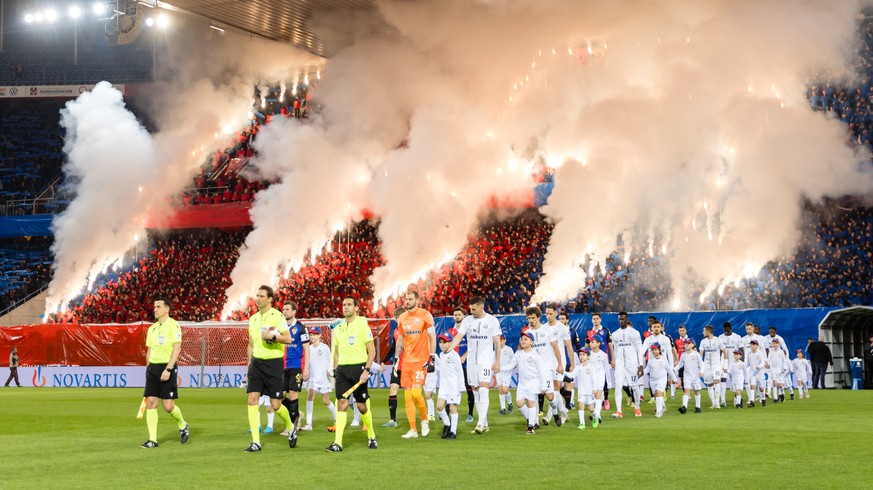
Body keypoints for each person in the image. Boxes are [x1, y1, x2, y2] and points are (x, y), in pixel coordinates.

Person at [244, 285, 295, 452]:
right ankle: (256, 442)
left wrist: (272, 336)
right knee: (252, 399)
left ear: (270, 299)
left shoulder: (277, 316)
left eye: (261, 296)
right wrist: (249, 364)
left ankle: (290, 426)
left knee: (275, 405)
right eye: (257, 296)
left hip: (274, 364)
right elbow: (251, 343)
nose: (258, 298)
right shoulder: (253, 319)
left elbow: (288, 339)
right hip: (257, 364)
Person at [326, 297, 377, 452]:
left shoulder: (362, 324)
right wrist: (335, 371)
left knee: (361, 406)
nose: (345, 307)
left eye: (349, 305)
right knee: (341, 403)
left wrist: (366, 370)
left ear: (356, 308)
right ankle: (338, 443)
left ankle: (371, 435)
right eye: (344, 304)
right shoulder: (338, 328)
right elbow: (336, 352)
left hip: (358, 369)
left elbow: (372, 351)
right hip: (342, 370)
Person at [446, 296, 502, 434]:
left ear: (481, 307)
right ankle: (485, 424)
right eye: (470, 309)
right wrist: (449, 350)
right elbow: (458, 337)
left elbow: (497, 343)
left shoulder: (492, 321)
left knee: (483, 390)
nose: (471, 311)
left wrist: (497, 361)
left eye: (474, 309)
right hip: (472, 362)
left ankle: (479, 423)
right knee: (476, 392)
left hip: (486, 360)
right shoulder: (467, 321)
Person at [141, 297, 189, 448]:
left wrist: (168, 369)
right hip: (153, 369)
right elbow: (149, 351)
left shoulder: (173, 326)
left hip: (167, 366)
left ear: (167, 309)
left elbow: (177, 349)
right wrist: (148, 368)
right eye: (154, 307)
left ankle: (183, 425)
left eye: (158, 307)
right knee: (151, 403)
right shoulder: (152, 329)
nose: (155, 309)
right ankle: (152, 440)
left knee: (168, 406)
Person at [396, 291, 436, 439]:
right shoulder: (402, 318)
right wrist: (395, 359)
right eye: (406, 299)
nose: (407, 301)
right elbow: (400, 340)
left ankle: (424, 419)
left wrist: (431, 357)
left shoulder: (425, 315)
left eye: (410, 299)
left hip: (421, 360)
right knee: (407, 397)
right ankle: (413, 429)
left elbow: (432, 336)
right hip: (406, 361)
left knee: (416, 393)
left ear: (417, 301)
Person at [500, 330, 557, 434]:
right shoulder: (518, 354)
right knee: (519, 404)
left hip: (533, 382)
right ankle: (533, 420)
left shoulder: (535, 356)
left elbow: (541, 372)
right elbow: (511, 365)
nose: (523, 341)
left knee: (531, 403)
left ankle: (530, 427)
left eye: (526, 339)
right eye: (522, 339)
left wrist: (544, 385)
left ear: (532, 342)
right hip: (522, 384)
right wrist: (500, 368)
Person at [519, 305, 563, 426]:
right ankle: (534, 421)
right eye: (528, 318)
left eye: (533, 318)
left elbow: (555, 348)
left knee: (549, 396)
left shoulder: (547, 330)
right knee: (531, 396)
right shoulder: (526, 333)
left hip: (546, 369)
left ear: (539, 317)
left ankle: (554, 412)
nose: (530, 320)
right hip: (532, 370)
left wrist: (559, 364)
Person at [281, 301, 309, 436]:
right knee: (279, 397)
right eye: (283, 309)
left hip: (296, 366)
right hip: (282, 366)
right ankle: (297, 413)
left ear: (293, 312)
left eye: (287, 309)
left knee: (293, 395)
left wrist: (306, 368)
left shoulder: (300, 328)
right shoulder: (280, 327)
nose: (284, 311)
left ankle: (290, 427)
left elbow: (307, 349)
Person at [302, 327, 336, 431]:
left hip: (324, 378)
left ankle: (337, 419)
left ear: (320, 335)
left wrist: (330, 370)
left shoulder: (325, 347)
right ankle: (309, 424)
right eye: (311, 335)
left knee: (326, 401)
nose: (312, 337)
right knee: (309, 397)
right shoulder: (309, 349)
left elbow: (330, 360)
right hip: (313, 378)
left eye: (315, 334)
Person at [446, 307, 476, 423]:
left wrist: (464, 356)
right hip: (453, 366)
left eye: (459, 314)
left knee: (469, 388)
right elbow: (447, 348)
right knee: (450, 388)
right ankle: (448, 412)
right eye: (455, 315)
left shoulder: (468, 331)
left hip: (466, 364)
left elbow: (472, 346)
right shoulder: (449, 332)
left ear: (464, 316)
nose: (457, 316)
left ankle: (470, 414)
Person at [611, 311, 643, 418]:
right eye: (619, 319)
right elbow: (615, 350)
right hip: (620, 365)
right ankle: (619, 411)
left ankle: (637, 408)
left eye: (623, 319)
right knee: (618, 386)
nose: (621, 321)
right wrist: (615, 361)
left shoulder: (635, 333)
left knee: (634, 386)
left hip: (632, 365)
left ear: (627, 319)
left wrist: (641, 365)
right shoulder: (615, 334)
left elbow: (639, 350)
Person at [545, 304, 574, 422]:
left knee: (555, 387)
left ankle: (548, 416)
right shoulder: (544, 328)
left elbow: (569, 346)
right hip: (547, 363)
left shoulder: (562, 328)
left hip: (559, 363)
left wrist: (572, 364)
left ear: (556, 313)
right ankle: (564, 413)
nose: (548, 316)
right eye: (546, 314)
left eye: (550, 314)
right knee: (551, 390)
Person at [435, 331, 465, 439]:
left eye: (444, 342)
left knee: (452, 408)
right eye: (440, 342)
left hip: (454, 386)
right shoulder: (441, 355)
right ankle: (447, 424)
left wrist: (461, 386)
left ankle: (453, 431)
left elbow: (459, 370)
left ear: (450, 343)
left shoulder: (454, 355)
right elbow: (441, 368)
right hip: (443, 385)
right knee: (439, 406)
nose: (442, 344)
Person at [380, 306, 405, 427]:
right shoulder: (396, 331)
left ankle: (424, 416)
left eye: (398, 318)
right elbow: (393, 348)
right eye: (395, 318)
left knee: (411, 393)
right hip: (397, 365)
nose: (396, 320)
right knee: (393, 389)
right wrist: (384, 361)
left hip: (409, 365)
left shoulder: (410, 330)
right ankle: (393, 420)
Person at [642, 343, 678, 418]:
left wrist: (674, 379)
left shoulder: (664, 359)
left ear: (659, 350)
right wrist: (641, 372)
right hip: (652, 380)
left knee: (659, 393)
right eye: (652, 350)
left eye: (655, 350)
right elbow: (647, 369)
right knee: (656, 396)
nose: (654, 351)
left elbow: (669, 370)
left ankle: (659, 411)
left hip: (661, 379)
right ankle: (663, 407)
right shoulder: (650, 360)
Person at [587, 313, 614, 410]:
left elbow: (610, 345)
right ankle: (596, 400)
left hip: (603, 357)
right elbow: (587, 346)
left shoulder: (605, 331)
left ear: (600, 320)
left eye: (597, 318)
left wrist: (612, 359)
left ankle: (605, 400)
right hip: (593, 357)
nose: (595, 320)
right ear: (592, 320)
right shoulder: (589, 331)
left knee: (605, 379)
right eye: (593, 319)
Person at [699, 325, 727, 409]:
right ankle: (713, 403)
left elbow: (725, 351)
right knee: (710, 385)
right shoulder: (703, 341)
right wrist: (701, 367)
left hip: (716, 365)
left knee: (716, 381)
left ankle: (718, 403)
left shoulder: (718, 340)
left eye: (704, 331)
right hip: (707, 366)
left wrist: (725, 364)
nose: (702, 333)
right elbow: (700, 354)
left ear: (708, 332)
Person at [675, 338, 704, 414]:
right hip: (687, 376)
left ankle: (698, 407)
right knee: (686, 391)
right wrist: (674, 369)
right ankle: (684, 407)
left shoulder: (696, 354)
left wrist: (701, 371)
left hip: (695, 376)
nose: (686, 345)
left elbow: (701, 363)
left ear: (693, 345)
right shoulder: (683, 355)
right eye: (685, 343)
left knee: (696, 391)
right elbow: (680, 364)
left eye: (688, 343)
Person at [718, 322, 743, 407]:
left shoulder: (737, 337)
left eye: (726, 329)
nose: (725, 331)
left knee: (735, 383)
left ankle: (736, 399)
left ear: (730, 328)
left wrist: (743, 361)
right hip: (724, 363)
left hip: (734, 363)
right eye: (724, 329)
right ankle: (723, 400)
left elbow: (741, 349)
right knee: (723, 380)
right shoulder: (720, 338)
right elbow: (719, 351)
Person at [573, 347, 597, 429]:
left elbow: (594, 378)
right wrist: (564, 374)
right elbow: (572, 375)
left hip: (590, 391)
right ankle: (582, 424)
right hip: (581, 391)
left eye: (583, 354)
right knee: (580, 406)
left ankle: (595, 417)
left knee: (591, 409)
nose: (581, 356)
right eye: (580, 354)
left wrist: (595, 388)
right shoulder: (578, 367)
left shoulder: (592, 367)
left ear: (588, 356)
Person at [496, 334, 514, 415]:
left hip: (506, 372)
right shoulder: (496, 349)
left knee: (505, 389)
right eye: (499, 340)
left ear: (505, 340)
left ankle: (510, 404)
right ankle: (503, 408)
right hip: (498, 372)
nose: (500, 341)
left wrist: (511, 367)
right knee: (500, 390)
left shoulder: (509, 349)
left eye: (502, 340)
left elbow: (513, 360)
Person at [746, 340, 767, 407]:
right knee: (752, 386)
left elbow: (763, 362)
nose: (752, 346)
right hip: (752, 373)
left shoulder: (760, 353)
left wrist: (759, 366)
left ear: (757, 345)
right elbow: (747, 364)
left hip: (760, 373)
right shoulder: (749, 354)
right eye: (751, 345)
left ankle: (763, 399)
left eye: (753, 345)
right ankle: (752, 401)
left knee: (761, 388)